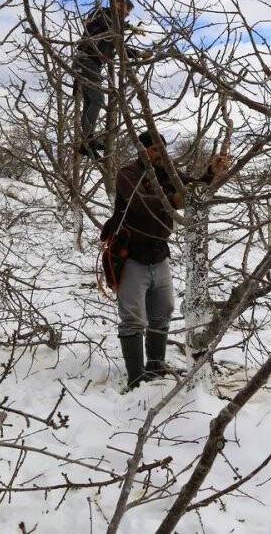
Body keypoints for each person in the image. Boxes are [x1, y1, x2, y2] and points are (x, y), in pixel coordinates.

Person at [100, 130, 229, 390]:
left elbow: (191, 189)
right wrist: (173, 199)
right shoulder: (128, 174)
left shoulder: (168, 172)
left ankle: (156, 367)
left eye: (162, 148)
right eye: (155, 148)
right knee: (132, 319)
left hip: (159, 254)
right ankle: (136, 378)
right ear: (143, 150)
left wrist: (211, 172)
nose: (160, 153)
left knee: (164, 311)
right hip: (131, 255)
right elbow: (140, 204)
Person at [72, 0, 145, 159]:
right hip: (86, 60)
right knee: (97, 100)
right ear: (117, 4)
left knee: (91, 102)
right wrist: (128, 27)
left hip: (91, 63)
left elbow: (119, 47)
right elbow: (106, 24)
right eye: (125, 13)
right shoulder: (101, 15)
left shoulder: (113, 26)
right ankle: (87, 141)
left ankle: (87, 140)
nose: (125, 16)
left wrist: (139, 53)